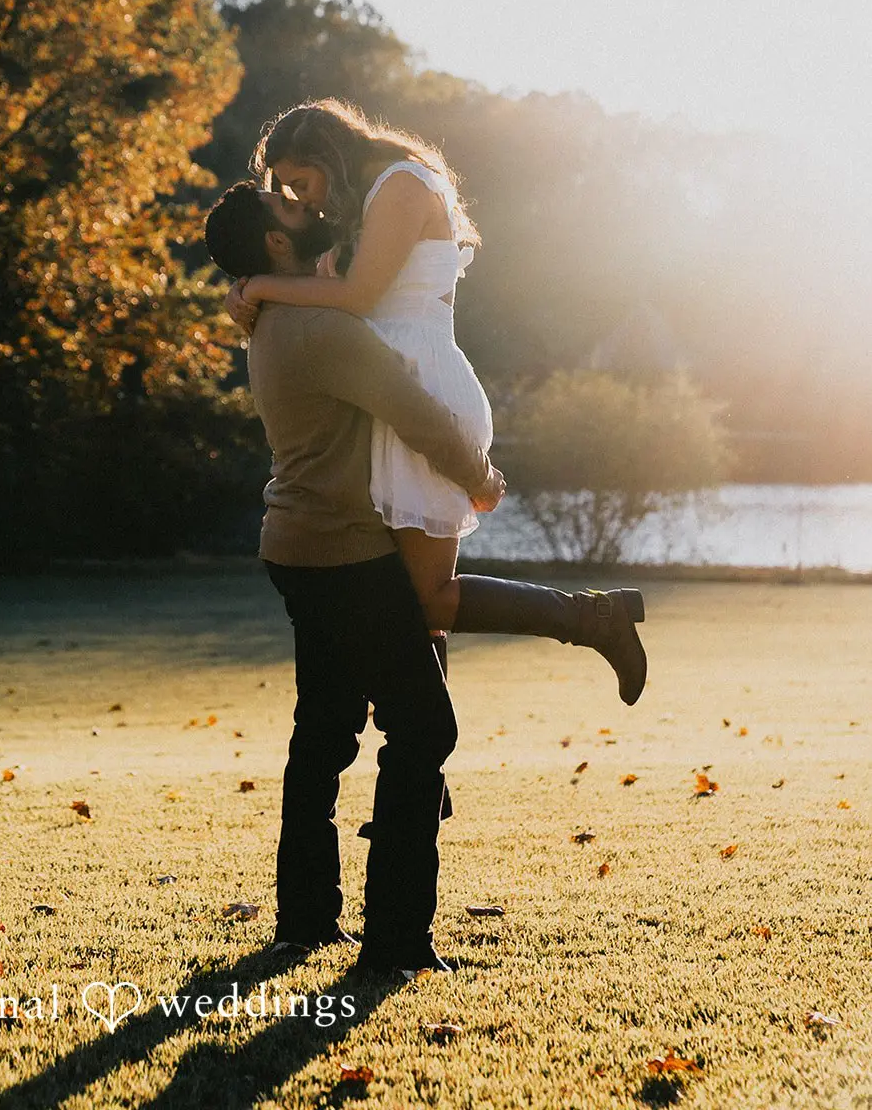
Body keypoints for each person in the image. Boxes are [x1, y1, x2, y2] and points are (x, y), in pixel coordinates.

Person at [204, 178, 647, 981]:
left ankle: (303, 921)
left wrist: (259, 285)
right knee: (423, 731)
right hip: (343, 554)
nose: (305, 206)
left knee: (326, 732)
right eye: (290, 208)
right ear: (274, 241)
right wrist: (477, 477)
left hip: (297, 545)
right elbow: (412, 408)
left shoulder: (273, 317)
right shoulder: (316, 328)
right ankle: (395, 943)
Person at [225, 100, 646, 695]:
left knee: (428, 604)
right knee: (415, 616)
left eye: (301, 181)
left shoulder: (398, 185)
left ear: (327, 155)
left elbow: (363, 297)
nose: (303, 198)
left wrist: (263, 284)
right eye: (287, 191)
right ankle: (429, 786)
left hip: (422, 385)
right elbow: (336, 294)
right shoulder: (360, 205)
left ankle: (592, 618)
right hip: (386, 385)